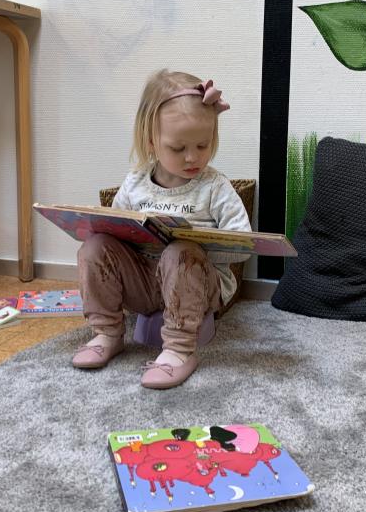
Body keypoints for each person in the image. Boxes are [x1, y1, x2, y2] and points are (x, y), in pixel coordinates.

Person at [73, 69, 251, 388]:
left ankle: (180, 349)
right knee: (94, 246)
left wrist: (201, 245)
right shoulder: (135, 182)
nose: (192, 157)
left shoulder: (215, 187)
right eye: (178, 148)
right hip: (145, 282)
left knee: (181, 252)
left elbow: (243, 245)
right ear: (151, 142)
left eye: (203, 145)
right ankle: (107, 333)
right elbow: (113, 231)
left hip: (198, 288)